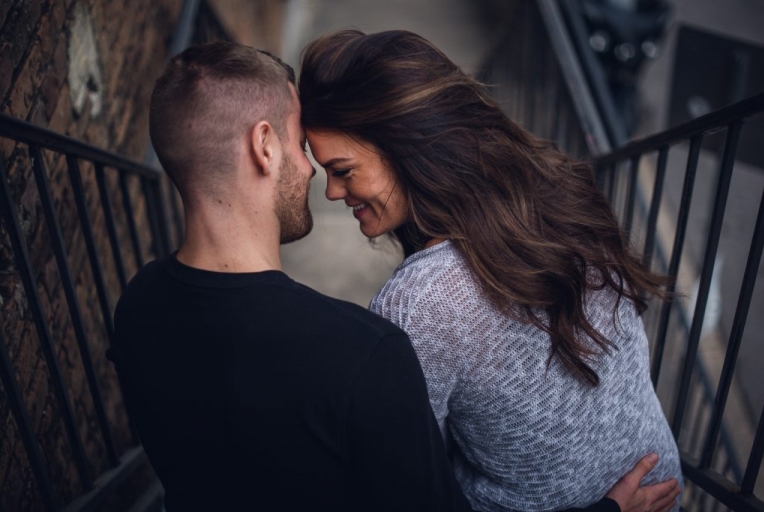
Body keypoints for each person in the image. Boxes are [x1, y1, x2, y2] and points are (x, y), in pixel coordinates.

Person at [109, 40, 675, 512]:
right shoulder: (557, 190)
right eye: (307, 154)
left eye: (340, 168)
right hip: (656, 473)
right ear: (263, 146)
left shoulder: (136, 308)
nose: (322, 184)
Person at [299, 29, 684, 512]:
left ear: (407, 147)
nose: (333, 193)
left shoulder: (420, 303)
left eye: (343, 169)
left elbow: (415, 489)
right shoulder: (556, 186)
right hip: (663, 486)